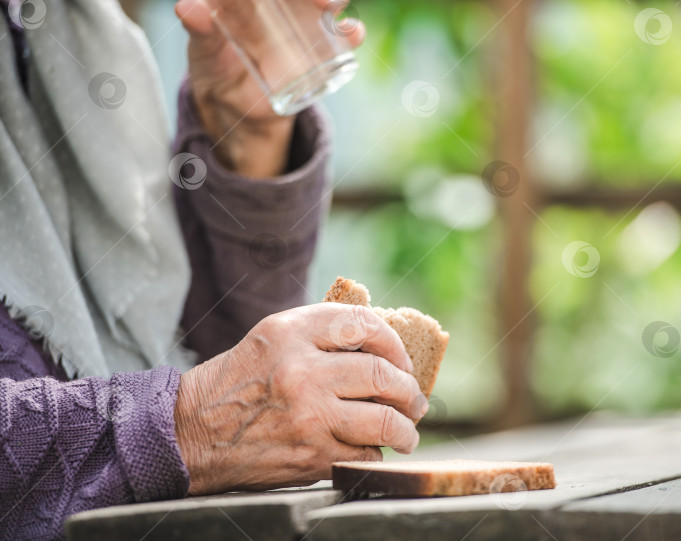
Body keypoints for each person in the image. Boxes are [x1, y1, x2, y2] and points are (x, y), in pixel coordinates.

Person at [0, 0, 428, 538]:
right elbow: (196, 400)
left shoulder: (66, 36)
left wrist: (247, 133)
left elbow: (198, 349)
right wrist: (188, 427)